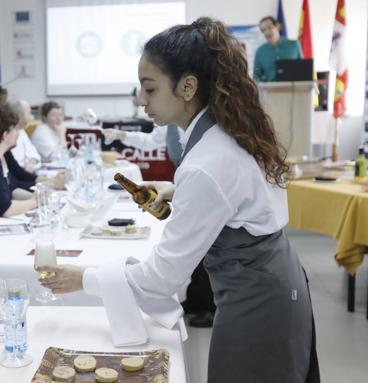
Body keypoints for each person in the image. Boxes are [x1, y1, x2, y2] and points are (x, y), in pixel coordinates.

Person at [39, 18, 319, 382]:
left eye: (150, 89)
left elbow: (160, 278)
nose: (141, 100)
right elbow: (240, 198)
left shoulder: (206, 163)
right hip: (276, 282)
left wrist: (83, 279)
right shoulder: (227, 132)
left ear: (187, 87)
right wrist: (176, 190)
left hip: (257, 303)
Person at [103, 124, 216, 327]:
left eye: (150, 92)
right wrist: (123, 134)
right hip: (186, 183)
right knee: (196, 251)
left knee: (205, 246)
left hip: (205, 188)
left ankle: (210, 306)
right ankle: (196, 299)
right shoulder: (172, 123)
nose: (144, 103)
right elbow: (150, 140)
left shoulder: (209, 129)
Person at [254, 16, 303, 82]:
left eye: (269, 27)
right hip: (270, 90)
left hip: (293, 89)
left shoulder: (294, 45)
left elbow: (303, 69)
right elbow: (256, 76)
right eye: (263, 30)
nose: (267, 32)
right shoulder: (260, 52)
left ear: (277, 26)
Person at [10, 99, 41, 172]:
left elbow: (34, 155)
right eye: (29, 113)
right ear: (19, 116)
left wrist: (32, 162)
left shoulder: (21, 131)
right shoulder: (8, 134)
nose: (32, 117)